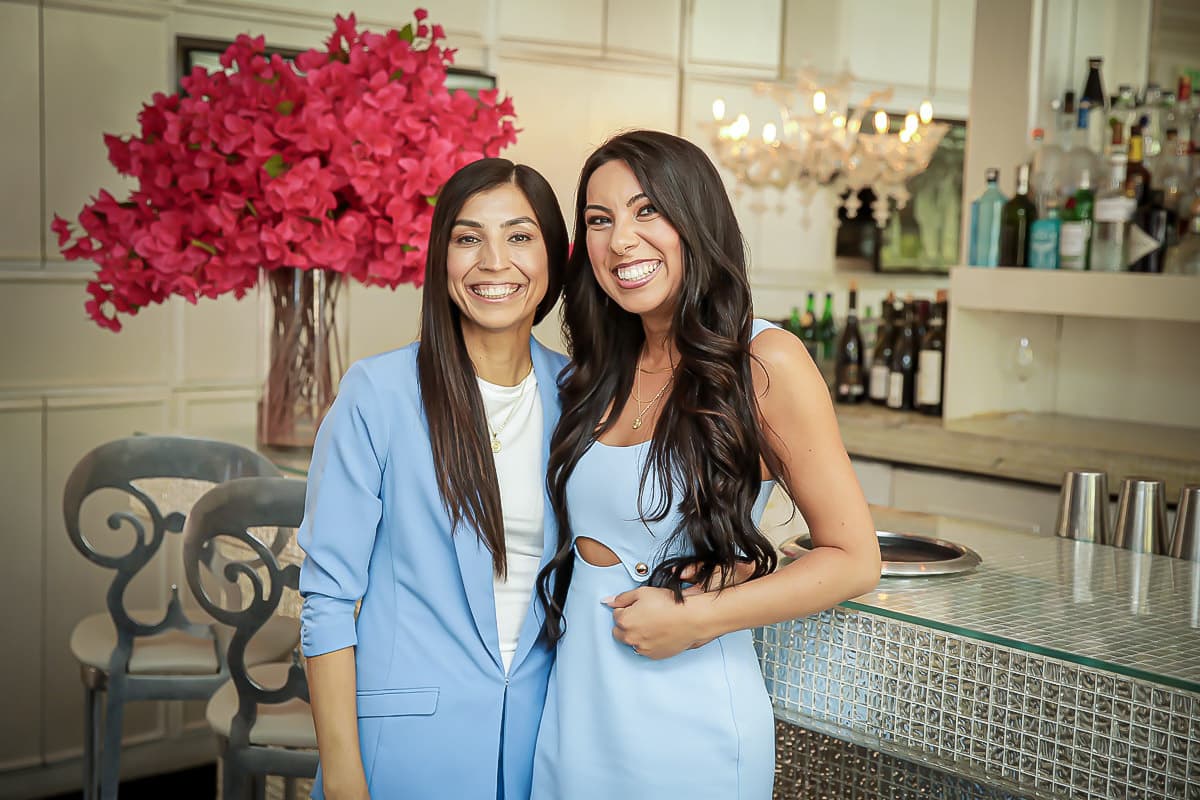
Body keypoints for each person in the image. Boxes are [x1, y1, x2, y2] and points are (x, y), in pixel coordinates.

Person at [532, 130, 882, 799]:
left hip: (689, 719)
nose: (621, 241)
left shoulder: (765, 361)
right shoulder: (593, 371)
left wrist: (698, 618)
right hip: (577, 708)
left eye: (646, 211)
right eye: (599, 221)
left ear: (695, 219)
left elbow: (854, 557)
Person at [298, 157, 568, 800]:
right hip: (404, 751)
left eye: (520, 236)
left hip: (543, 747)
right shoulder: (378, 393)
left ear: (553, 257)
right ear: (441, 259)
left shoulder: (582, 398)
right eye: (468, 237)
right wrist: (343, 781)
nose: (494, 261)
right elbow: (328, 600)